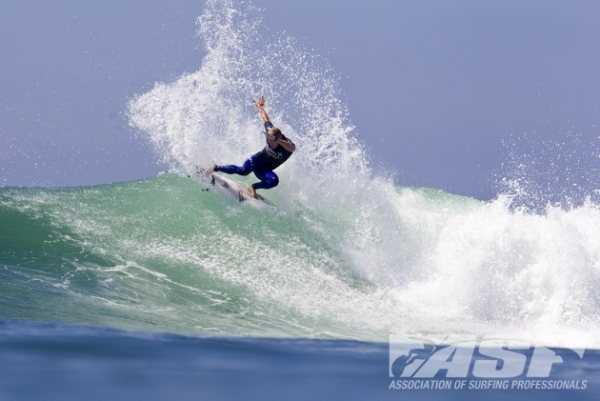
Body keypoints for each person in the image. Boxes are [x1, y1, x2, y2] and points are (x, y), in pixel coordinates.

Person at [205, 96, 296, 198]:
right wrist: (260, 107)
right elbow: (266, 119)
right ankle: (214, 167)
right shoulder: (271, 131)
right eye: (268, 141)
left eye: (271, 142)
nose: (269, 144)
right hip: (257, 160)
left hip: (265, 170)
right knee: (242, 171)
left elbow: (292, 148)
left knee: (274, 181)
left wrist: (276, 140)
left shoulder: (287, 145)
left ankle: (253, 187)